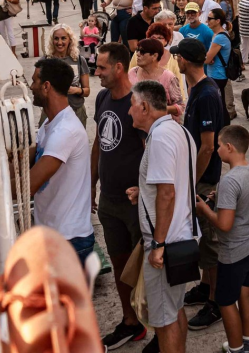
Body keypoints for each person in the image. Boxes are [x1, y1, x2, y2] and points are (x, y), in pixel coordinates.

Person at [130, 80, 199, 353]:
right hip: (182, 237)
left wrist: (157, 245)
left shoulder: (158, 138)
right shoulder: (178, 130)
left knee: (165, 320)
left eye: (132, 106)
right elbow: (173, 183)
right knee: (176, 309)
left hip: (166, 244)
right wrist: (143, 190)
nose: (129, 112)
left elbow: (167, 194)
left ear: (145, 106)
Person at [91, 44, 149, 350]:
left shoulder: (139, 103)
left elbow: (155, 150)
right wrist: (91, 183)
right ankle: (131, 322)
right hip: (110, 201)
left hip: (135, 203)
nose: (96, 72)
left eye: (101, 67)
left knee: (148, 269)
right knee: (119, 262)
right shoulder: (101, 98)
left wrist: (146, 189)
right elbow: (99, 143)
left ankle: (159, 328)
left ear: (118, 68)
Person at [169, 38, 226, 330]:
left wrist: (191, 183)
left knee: (210, 242)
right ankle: (205, 287)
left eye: (177, 56)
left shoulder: (206, 94)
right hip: (198, 178)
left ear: (184, 61)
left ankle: (215, 302)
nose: (175, 60)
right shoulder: (198, 89)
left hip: (203, 181)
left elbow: (207, 147)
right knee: (204, 240)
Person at [193, 126, 249, 353]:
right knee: (246, 291)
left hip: (235, 251)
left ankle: (236, 349)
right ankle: (248, 342)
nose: (216, 150)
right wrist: (221, 200)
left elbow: (224, 224)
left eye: (219, 146)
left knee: (224, 301)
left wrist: (204, 208)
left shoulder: (229, 180)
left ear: (230, 147)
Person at [29, 59, 95, 263]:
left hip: (69, 241)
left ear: (46, 86)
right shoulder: (50, 125)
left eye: (34, 82)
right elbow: (26, 160)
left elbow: (27, 185)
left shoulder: (65, 131)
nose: (31, 87)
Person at [42, 24, 91, 125]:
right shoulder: (45, 61)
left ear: (70, 40)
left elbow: (87, 91)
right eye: (56, 38)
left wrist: (75, 90)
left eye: (63, 38)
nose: (59, 42)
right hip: (51, 113)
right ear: (52, 41)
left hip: (76, 111)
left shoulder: (79, 60)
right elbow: (37, 89)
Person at [129, 37, 185, 120]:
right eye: (137, 50)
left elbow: (181, 107)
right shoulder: (132, 73)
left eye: (142, 52)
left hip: (160, 125)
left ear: (154, 56)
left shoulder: (168, 77)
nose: (137, 54)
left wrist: (158, 110)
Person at [205, 8, 235, 120]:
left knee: (219, 105)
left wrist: (207, 57)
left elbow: (207, 59)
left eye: (209, 18)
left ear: (217, 21)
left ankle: (224, 127)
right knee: (219, 104)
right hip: (218, 74)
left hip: (217, 75)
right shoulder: (220, 34)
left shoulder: (219, 37)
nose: (207, 21)